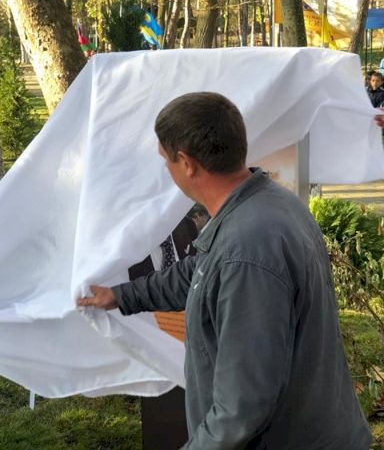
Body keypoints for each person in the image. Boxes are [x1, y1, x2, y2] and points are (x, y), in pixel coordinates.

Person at [77, 92, 371, 449]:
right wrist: (120, 296)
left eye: (165, 161)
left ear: (187, 163)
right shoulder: (264, 204)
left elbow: (242, 407)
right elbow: (200, 271)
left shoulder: (246, 250)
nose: (167, 171)